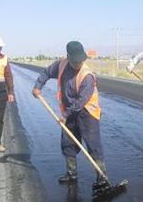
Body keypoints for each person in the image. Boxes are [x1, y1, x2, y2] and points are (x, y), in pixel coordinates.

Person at [32, 41, 108, 185]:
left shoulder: (87, 76)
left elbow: (80, 102)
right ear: (68, 57)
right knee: (68, 143)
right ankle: (71, 173)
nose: (78, 64)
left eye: (81, 61)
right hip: (69, 111)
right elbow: (46, 72)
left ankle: (102, 177)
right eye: (75, 61)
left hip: (87, 113)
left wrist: (65, 115)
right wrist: (38, 86)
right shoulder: (61, 65)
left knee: (93, 145)